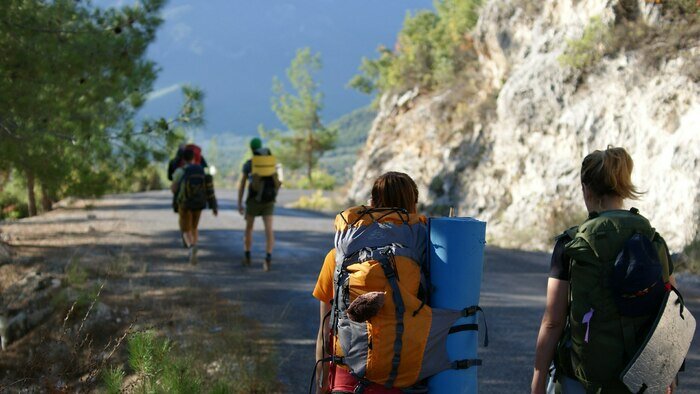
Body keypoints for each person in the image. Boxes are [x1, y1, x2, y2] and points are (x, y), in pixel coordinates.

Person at [531, 147, 676, 394]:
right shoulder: (652, 240)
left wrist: (538, 380)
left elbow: (553, 322)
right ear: (622, 187)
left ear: (586, 189)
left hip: (584, 378)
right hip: (642, 379)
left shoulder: (571, 244)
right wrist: (667, 377)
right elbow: (669, 314)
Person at [312, 171, 422, 394]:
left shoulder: (338, 257)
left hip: (347, 379)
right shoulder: (424, 257)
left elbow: (326, 328)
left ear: (372, 203)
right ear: (413, 205)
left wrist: (324, 379)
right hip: (400, 379)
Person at [237, 137, 280, 271]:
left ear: (251, 149)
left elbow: (242, 184)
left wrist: (239, 202)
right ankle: (267, 258)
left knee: (249, 228)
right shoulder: (270, 163)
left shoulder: (249, 164)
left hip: (253, 201)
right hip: (269, 201)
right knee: (269, 230)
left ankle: (247, 255)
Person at [171, 148, 218, 265]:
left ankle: (191, 247)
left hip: (185, 204)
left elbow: (174, 188)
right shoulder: (200, 170)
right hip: (198, 203)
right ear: (193, 158)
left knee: (185, 230)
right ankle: (195, 244)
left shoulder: (179, 171)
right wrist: (213, 205)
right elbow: (208, 188)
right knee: (194, 227)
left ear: (183, 159)